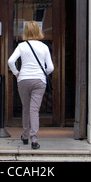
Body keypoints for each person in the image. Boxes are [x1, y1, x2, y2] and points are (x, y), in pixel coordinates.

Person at [7, 20, 54, 149]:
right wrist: (42, 72)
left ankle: (25, 135)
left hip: (23, 80)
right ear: (38, 31)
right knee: (34, 110)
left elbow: (11, 61)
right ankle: (34, 139)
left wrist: (17, 73)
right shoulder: (44, 47)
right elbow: (50, 67)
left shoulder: (22, 46)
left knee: (26, 109)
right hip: (39, 81)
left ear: (25, 32)